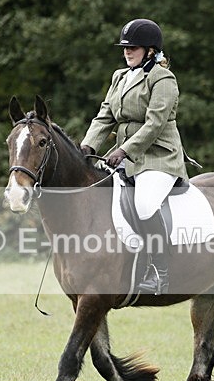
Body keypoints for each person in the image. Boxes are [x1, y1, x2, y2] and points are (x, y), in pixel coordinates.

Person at [80, 18, 189, 296]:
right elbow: (104, 116)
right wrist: (86, 148)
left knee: (143, 204)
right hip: (126, 158)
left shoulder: (163, 79)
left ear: (150, 51)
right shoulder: (119, 76)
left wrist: (124, 150)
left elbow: (154, 124)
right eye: (125, 47)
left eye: (134, 48)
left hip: (158, 158)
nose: (127, 52)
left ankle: (161, 273)